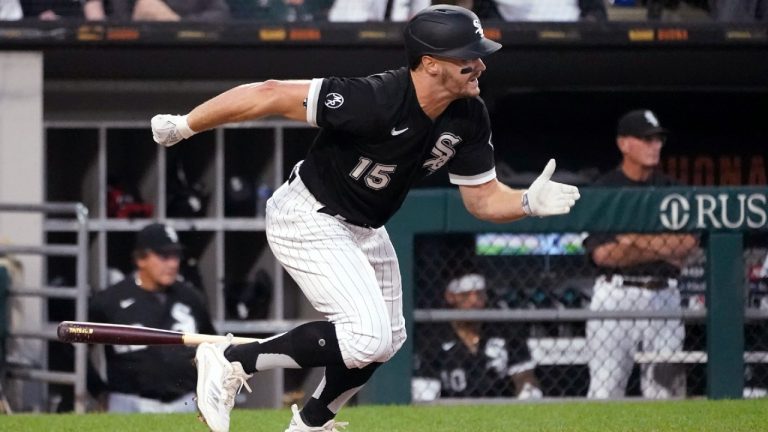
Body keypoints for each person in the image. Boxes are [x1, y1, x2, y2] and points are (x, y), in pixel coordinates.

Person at [150, 4, 580, 431]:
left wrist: (525, 202)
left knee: (386, 342)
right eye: (467, 59)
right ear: (430, 64)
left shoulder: (469, 115)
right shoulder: (377, 98)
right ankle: (230, 360)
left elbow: (482, 201)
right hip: (308, 213)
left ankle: (311, 424)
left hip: (364, 226)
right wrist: (185, 125)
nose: (480, 66)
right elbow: (270, 92)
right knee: (365, 337)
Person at [584, 109, 699, 399]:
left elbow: (685, 247)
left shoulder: (674, 190)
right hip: (615, 295)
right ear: (624, 144)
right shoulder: (604, 190)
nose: (655, 145)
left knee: (665, 396)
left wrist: (631, 239)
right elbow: (605, 255)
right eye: (646, 139)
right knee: (605, 391)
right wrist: (661, 246)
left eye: (658, 138)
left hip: (665, 296)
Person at [88, 222, 217, 412]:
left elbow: (213, 345)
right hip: (128, 404)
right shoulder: (110, 301)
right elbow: (76, 348)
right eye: (164, 256)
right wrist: (98, 390)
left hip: (185, 402)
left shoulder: (190, 297)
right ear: (141, 259)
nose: (173, 263)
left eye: (176, 255)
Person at [412, 273, 542, 401]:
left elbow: (524, 375)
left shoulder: (503, 330)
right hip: (450, 411)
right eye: (466, 295)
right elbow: (425, 389)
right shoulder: (433, 337)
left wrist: (527, 392)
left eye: (479, 294)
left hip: (500, 409)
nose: (475, 301)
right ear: (450, 297)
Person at [108, 0, 230, 21]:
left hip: (186, 51)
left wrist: (174, 20)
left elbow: (221, 15)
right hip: (134, 52)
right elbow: (116, 21)